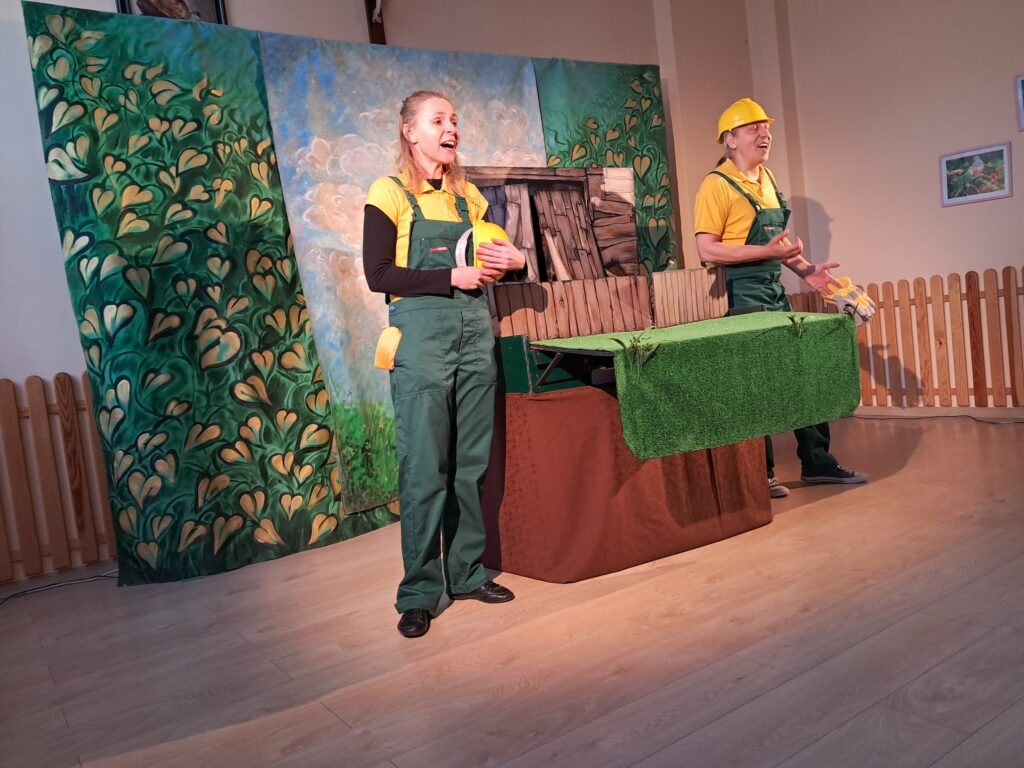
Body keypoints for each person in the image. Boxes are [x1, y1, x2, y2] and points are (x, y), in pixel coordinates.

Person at [362, 90, 526, 638]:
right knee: (424, 468)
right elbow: (378, 275)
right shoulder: (388, 192)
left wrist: (516, 261)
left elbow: (495, 260)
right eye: (438, 120)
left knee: (470, 463)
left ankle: (466, 572)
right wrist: (448, 277)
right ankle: (419, 592)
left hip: (475, 331)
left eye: (454, 120)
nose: (451, 128)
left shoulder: (468, 198)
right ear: (410, 131)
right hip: (421, 336)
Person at [693, 98, 867, 499]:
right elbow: (707, 249)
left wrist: (809, 272)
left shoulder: (768, 178)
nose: (764, 134)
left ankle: (818, 463)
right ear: (730, 139)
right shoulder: (715, 185)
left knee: (802, 371)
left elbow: (779, 246)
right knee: (757, 383)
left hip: (773, 288)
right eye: (753, 128)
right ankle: (761, 473)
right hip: (738, 294)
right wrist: (767, 252)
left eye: (766, 127)